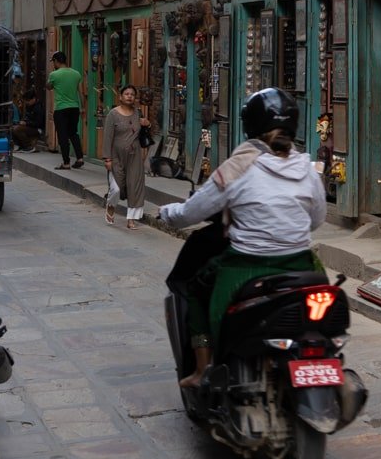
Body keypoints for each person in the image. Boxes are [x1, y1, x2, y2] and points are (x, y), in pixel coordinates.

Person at [157, 88, 327, 389]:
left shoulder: (237, 168)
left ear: (250, 126)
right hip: (302, 266)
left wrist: (167, 211)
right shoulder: (307, 169)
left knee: (196, 289)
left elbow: (191, 213)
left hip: (245, 267)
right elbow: (316, 221)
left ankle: (202, 368)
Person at [101, 84, 151, 229]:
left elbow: (146, 132)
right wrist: (107, 159)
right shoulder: (113, 114)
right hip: (116, 156)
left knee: (135, 187)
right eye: (126, 94)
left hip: (134, 156)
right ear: (121, 97)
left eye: (132, 94)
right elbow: (107, 137)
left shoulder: (138, 113)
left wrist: (147, 124)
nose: (129, 96)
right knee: (116, 188)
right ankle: (111, 205)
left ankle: (131, 220)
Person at [45, 51, 87, 169]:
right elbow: (81, 92)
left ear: (56, 61)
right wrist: (83, 107)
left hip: (61, 109)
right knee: (73, 133)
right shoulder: (76, 74)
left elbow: (49, 87)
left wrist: (50, 80)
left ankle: (66, 162)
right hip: (74, 108)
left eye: (53, 61)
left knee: (63, 136)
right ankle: (80, 158)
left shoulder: (54, 75)